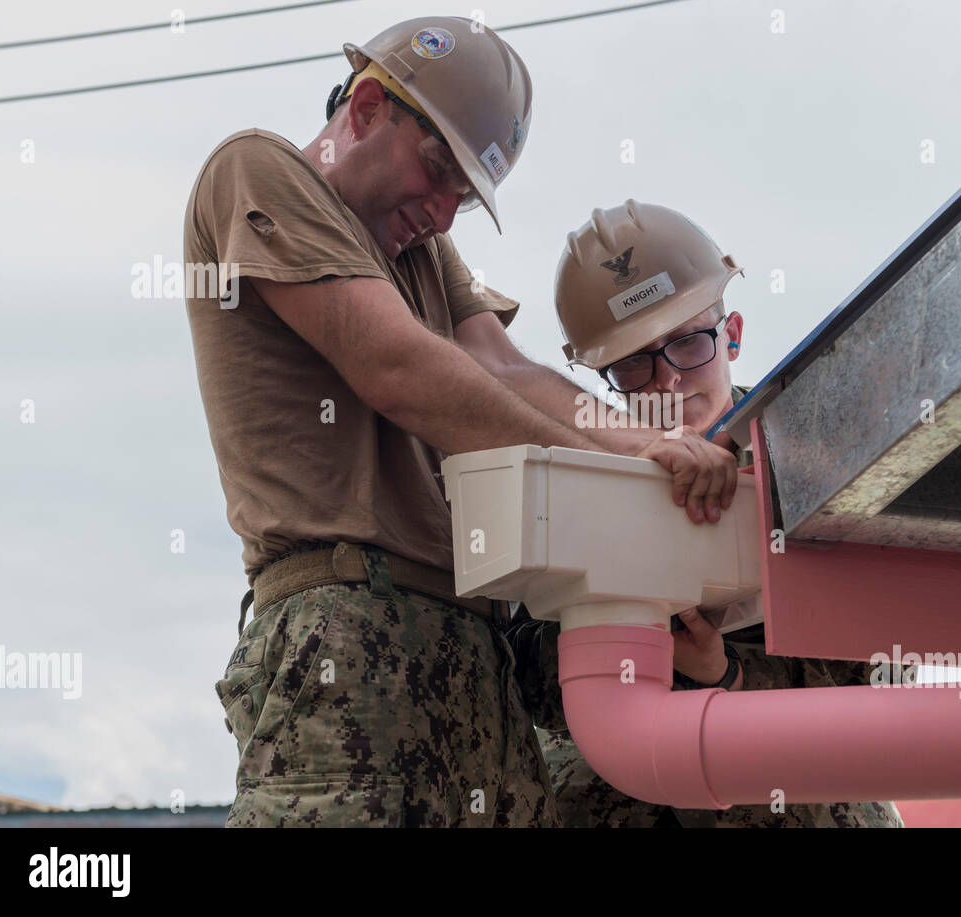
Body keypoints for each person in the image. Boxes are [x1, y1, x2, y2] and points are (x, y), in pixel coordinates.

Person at [183, 20, 737, 827]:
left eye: (465, 197)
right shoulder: (258, 172)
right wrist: (612, 459)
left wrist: (648, 447)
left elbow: (506, 369)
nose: (444, 214)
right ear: (368, 107)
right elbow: (399, 367)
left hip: (476, 652)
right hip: (342, 635)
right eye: (439, 170)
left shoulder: (418, 252)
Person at [507, 200, 906, 827]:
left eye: (689, 343)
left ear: (735, 334)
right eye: (635, 363)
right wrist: (620, 648)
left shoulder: (816, 461)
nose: (668, 383)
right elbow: (521, 666)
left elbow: (885, 679)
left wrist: (727, 675)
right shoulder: (573, 480)